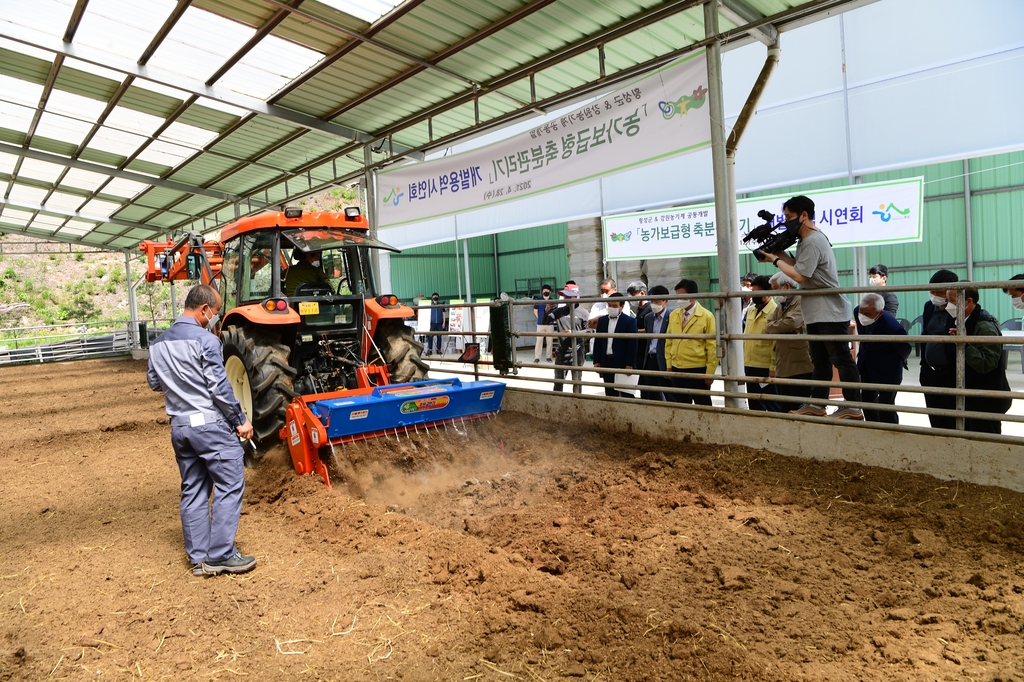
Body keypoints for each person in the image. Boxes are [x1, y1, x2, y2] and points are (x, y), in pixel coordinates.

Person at [146, 284, 256, 577]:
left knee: (193, 488)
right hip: (209, 426)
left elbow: (155, 384)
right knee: (230, 483)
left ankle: (198, 559)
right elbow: (220, 389)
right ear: (204, 309)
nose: (216, 318)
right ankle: (221, 555)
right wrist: (239, 420)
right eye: (216, 312)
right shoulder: (206, 341)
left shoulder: (157, 344)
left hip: (180, 427)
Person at [760, 195, 863, 419]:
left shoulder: (814, 240)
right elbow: (799, 267)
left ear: (804, 215)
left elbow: (800, 275)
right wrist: (777, 252)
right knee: (820, 361)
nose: (786, 222)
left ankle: (854, 405)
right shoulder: (805, 242)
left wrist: (774, 261)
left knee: (840, 358)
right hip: (816, 312)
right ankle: (817, 404)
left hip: (830, 310)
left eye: (788, 217)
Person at [945, 285, 1012, 434]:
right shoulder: (961, 320)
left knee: (985, 438)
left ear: (968, 302)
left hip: (985, 400)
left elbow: (987, 363)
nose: (947, 306)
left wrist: (964, 344)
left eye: (952, 301)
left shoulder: (985, 326)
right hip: (970, 396)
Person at [854, 292, 911, 423]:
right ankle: (873, 428)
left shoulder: (893, 327)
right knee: (867, 400)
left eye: (868, 314)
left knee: (886, 405)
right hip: (867, 363)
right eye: (862, 312)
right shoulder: (858, 311)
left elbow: (905, 349)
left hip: (888, 368)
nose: (863, 316)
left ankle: (890, 431)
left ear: (879, 313)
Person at [664, 279, 717, 405]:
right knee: (682, 403)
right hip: (677, 367)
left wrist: (710, 372)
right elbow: (669, 341)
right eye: (678, 297)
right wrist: (669, 365)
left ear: (693, 297)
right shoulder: (674, 315)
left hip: (697, 368)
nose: (679, 300)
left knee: (702, 403)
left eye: (682, 297)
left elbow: (712, 346)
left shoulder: (706, 316)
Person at [766, 272, 815, 407]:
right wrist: (781, 327)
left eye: (775, 288)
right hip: (783, 363)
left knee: (800, 405)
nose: (773, 292)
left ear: (786, 286)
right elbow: (768, 325)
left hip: (800, 365)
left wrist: (778, 326)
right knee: (785, 406)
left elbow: (793, 322)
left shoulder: (801, 301)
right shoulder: (781, 305)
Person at [920, 269, 959, 429]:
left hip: (950, 373)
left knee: (952, 418)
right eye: (932, 291)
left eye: (940, 292)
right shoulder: (929, 307)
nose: (935, 295)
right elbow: (925, 333)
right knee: (935, 418)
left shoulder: (958, 308)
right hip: (929, 372)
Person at [743, 275, 780, 411]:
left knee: (771, 402)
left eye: (757, 292)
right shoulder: (751, 310)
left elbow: (776, 342)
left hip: (765, 366)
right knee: (754, 402)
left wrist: (773, 366)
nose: (754, 296)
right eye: (753, 292)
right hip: (750, 363)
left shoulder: (775, 311)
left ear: (768, 292)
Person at [592, 293, 638, 397]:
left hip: (622, 363)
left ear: (621, 307)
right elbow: (598, 341)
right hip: (607, 361)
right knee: (610, 392)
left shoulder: (629, 321)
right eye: (610, 305)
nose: (611, 308)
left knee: (626, 393)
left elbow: (632, 344)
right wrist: (597, 361)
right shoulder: (602, 321)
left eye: (615, 306)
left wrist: (629, 364)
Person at [551, 286, 589, 393]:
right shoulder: (559, 311)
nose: (565, 298)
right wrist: (546, 310)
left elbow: (590, 331)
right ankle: (557, 402)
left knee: (576, 380)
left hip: (577, 350)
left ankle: (577, 402)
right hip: (562, 350)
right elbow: (546, 320)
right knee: (558, 380)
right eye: (564, 296)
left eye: (568, 296)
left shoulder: (583, 313)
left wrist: (574, 333)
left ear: (575, 296)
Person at [639, 285, 671, 401]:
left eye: (657, 301)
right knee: (650, 393)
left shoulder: (671, 317)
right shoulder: (648, 318)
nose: (653, 304)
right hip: (650, 360)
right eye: (652, 301)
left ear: (665, 301)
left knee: (668, 393)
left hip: (663, 360)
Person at [533, 284, 556, 363]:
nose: (546, 291)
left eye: (547, 290)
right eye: (544, 290)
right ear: (542, 291)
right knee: (539, 341)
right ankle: (537, 357)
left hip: (550, 324)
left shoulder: (552, 301)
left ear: (550, 291)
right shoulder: (538, 301)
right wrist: (540, 319)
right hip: (540, 324)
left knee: (550, 341)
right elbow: (535, 311)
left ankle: (548, 357)